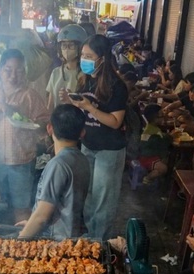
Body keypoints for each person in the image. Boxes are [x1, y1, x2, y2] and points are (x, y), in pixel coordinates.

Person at [15, 103, 90, 274]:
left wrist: (22, 238)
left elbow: (43, 215)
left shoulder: (58, 165)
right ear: (82, 133)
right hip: (73, 233)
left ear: (49, 129)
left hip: (56, 243)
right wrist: (29, 224)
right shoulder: (81, 159)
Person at [60, 34, 128, 240]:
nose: (84, 59)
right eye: (83, 55)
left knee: (103, 202)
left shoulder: (117, 86)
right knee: (88, 197)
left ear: (103, 59)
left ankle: (101, 244)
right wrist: (72, 101)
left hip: (109, 150)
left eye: (89, 56)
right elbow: (85, 112)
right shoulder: (86, 80)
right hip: (88, 145)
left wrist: (89, 105)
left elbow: (116, 121)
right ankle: (90, 238)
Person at [0, 48, 50, 224]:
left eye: (19, 71)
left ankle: (21, 242)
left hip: (21, 161)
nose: (13, 75)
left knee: (21, 208)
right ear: (0, 70)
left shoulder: (30, 96)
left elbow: (45, 124)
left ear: (24, 73)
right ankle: (2, 241)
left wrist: (29, 120)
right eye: (8, 70)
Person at [46, 24, 88, 111]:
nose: (67, 49)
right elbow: (50, 104)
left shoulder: (86, 74)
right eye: (64, 45)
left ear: (80, 48)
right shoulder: (56, 72)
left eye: (71, 45)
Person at [138, 104, 173, 184]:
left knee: (166, 160)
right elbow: (162, 143)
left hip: (151, 155)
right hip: (146, 157)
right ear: (155, 119)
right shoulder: (151, 133)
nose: (163, 117)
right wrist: (170, 137)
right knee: (163, 168)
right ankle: (147, 178)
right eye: (161, 116)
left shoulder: (152, 128)